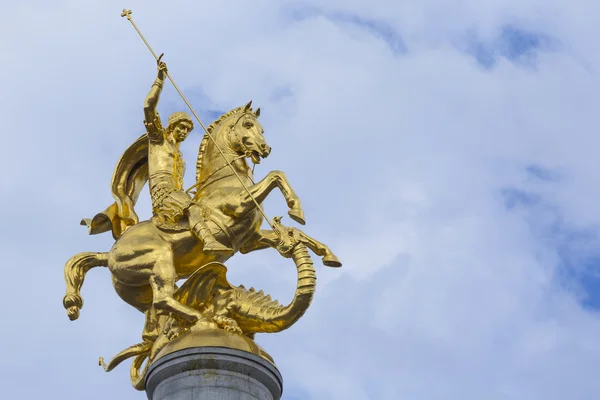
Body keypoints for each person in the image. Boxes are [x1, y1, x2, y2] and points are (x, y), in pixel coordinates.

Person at [143, 59, 232, 255]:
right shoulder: (158, 140)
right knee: (193, 208)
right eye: (181, 127)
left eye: (188, 129)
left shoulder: (179, 155)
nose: (184, 131)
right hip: (163, 195)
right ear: (172, 126)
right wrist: (159, 80)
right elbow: (148, 108)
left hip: (177, 194)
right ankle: (208, 241)